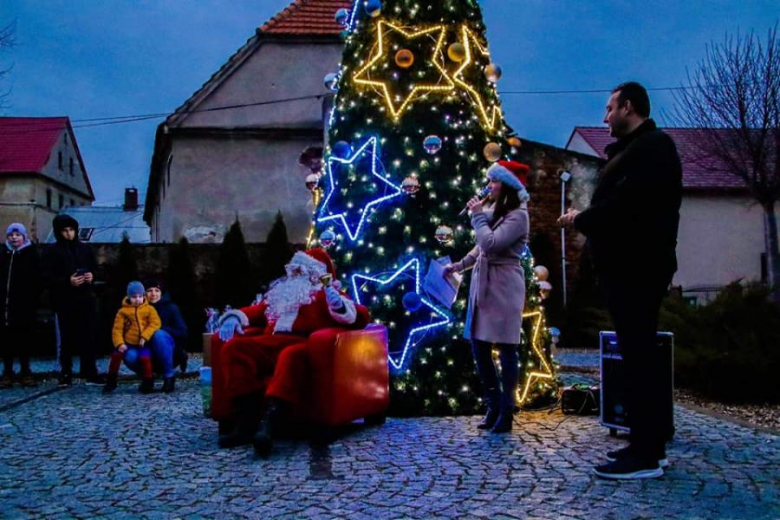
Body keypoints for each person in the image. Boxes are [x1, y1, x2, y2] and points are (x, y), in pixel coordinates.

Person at [559, 82, 682, 480]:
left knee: (640, 360)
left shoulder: (653, 148)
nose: (605, 116)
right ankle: (645, 444)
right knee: (636, 358)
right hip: (629, 268)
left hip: (638, 269)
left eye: (610, 108)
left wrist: (580, 218)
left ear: (629, 108)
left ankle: (646, 454)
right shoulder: (635, 150)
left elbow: (625, 208)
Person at [214, 248, 370, 456]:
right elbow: (257, 311)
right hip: (270, 342)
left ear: (315, 273)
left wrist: (340, 307)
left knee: (290, 356)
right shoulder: (280, 294)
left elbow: (361, 315)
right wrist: (235, 316)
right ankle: (244, 422)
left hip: (303, 343)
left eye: (300, 269)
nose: (293, 273)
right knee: (235, 348)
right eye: (293, 269)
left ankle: (269, 426)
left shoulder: (325, 293)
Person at [445, 160, 531, 434]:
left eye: (493, 181)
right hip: (483, 282)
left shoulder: (519, 215)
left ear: (506, 186)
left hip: (504, 285)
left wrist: (477, 216)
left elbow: (491, 243)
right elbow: (479, 248)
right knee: (478, 345)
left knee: (506, 347)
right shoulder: (494, 210)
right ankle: (492, 404)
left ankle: (507, 411)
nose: (488, 186)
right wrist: (460, 265)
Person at [42, 215, 104, 387]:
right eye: (65, 231)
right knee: (66, 339)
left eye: (71, 230)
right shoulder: (51, 251)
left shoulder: (85, 249)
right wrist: (67, 281)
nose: (69, 234)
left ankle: (90, 371)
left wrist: (92, 276)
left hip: (85, 299)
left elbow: (95, 269)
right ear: (58, 232)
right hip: (64, 301)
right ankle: (66, 372)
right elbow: (46, 277)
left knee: (89, 337)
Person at [0, 223, 41, 388]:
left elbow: (37, 280)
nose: (14, 238)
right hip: (5, 306)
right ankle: (7, 373)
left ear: (24, 236)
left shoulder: (31, 254)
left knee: (24, 339)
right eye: (11, 235)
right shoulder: (3, 254)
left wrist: (32, 299)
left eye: (17, 235)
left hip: (24, 305)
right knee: (5, 341)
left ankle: (26, 372)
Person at [103, 281, 162, 394]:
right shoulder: (122, 312)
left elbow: (155, 323)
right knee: (116, 355)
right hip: (128, 342)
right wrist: (120, 343)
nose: (137, 299)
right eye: (134, 297)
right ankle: (111, 381)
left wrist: (145, 336)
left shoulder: (149, 309)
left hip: (143, 343)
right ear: (129, 297)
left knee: (145, 357)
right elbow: (117, 329)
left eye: (140, 296)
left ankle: (148, 382)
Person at [142, 278, 188, 393]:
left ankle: (169, 377)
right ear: (144, 293)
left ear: (161, 292)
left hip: (170, 351)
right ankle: (147, 378)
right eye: (149, 290)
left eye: (157, 290)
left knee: (159, 335)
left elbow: (183, 332)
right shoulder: (138, 308)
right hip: (146, 350)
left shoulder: (171, 308)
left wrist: (159, 328)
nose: (153, 294)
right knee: (130, 355)